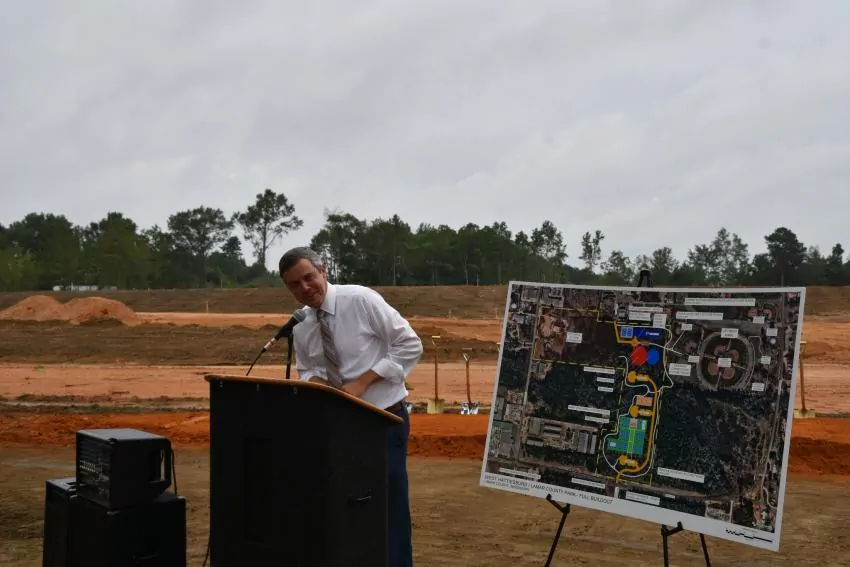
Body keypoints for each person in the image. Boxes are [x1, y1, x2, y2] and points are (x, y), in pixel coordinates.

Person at [278, 246, 423, 567]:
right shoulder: (301, 324)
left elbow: (410, 344)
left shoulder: (360, 300)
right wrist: (319, 384)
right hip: (336, 428)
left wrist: (363, 382)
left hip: (382, 420)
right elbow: (307, 370)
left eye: (309, 277)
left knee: (387, 508)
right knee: (345, 506)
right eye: (294, 284)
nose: (305, 288)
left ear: (324, 271)